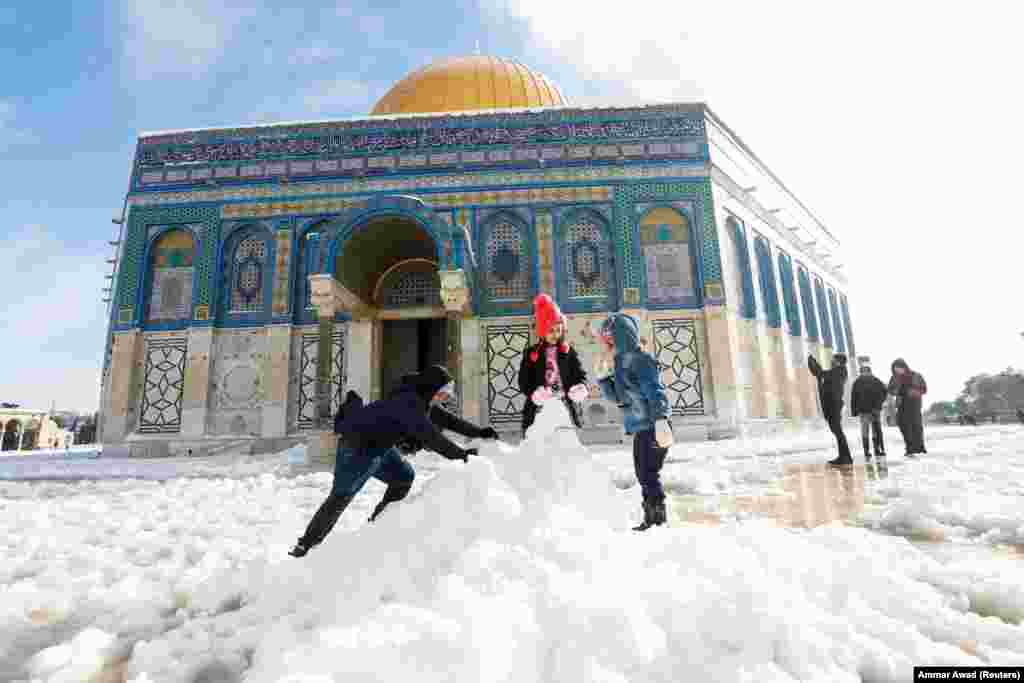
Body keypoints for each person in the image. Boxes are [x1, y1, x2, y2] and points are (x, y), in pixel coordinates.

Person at [289, 365, 498, 558]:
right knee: (342, 496)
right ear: (432, 387)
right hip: (357, 448)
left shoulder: (420, 400)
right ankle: (306, 545)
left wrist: (478, 431)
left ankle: (379, 525)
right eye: (444, 391)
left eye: (449, 392)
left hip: (379, 447)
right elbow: (432, 438)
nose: (446, 396)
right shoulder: (408, 404)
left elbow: (447, 420)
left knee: (403, 477)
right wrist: (463, 456)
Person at [594, 313, 674, 531]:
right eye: (605, 339)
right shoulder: (620, 364)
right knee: (643, 473)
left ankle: (656, 519)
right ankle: (653, 518)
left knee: (648, 473)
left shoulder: (641, 360)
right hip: (641, 426)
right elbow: (618, 398)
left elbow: (655, 392)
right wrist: (603, 379)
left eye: (610, 338)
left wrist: (661, 420)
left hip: (653, 425)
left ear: (622, 336)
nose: (607, 343)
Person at [518, 294, 589, 437]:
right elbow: (523, 381)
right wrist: (534, 393)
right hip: (540, 407)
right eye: (551, 330)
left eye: (558, 330)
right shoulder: (532, 353)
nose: (555, 334)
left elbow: (579, 374)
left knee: (567, 444)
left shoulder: (567, 351)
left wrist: (580, 387)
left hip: (565, 406)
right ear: (542, 330)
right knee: (540, 444)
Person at [808, 353, 852, 466]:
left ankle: (846, 457)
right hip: (832, 404)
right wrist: (814, 365)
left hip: (834, 405)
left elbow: (821, 374)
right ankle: (843, 456)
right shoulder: (837, 371)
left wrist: (813, 363)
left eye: (833, 360)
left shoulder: (839, 371)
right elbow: (821, 374)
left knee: (838, 431)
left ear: (838, 361)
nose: (831, 361)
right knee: (837, 431)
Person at [888, 358, 927, 457]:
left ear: (904, 367)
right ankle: (910, 446)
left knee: (916, 425)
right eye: (895, 369)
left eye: (898, 368)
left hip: (914, 403)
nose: (897, 370)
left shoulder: (916, 375)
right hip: (901, 404)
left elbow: (924, 389)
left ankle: (919, 447)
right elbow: (890, 390)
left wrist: (912, 391)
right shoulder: (894, 378)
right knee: (903, 425)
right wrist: (896, 391)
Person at [850, 361, 888, 459]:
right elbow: (884, 393)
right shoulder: (875, 381)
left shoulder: (858, 382)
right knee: (873, 431)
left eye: (865, 372)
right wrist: (879, 405)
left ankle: (869, 451)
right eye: (863, 372)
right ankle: (874, 450)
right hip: (871, 411)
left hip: (866, 411)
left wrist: (854, 411)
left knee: (867, 431)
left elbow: (854, 398)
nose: (864, 374)